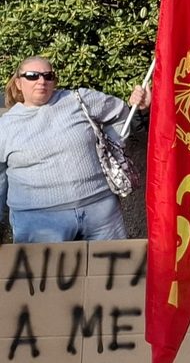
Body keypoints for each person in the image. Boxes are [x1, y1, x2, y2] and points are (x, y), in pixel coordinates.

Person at [0, 57, 148, 242]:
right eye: (32, 76)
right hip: (39, 222)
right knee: (48, 273)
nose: (41, 81)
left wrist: (113, 144)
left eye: (48, 76)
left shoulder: (78, 99)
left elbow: (120, 113)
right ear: (18, 82)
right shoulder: (5, 126)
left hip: (101, 213)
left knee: (110, 271)